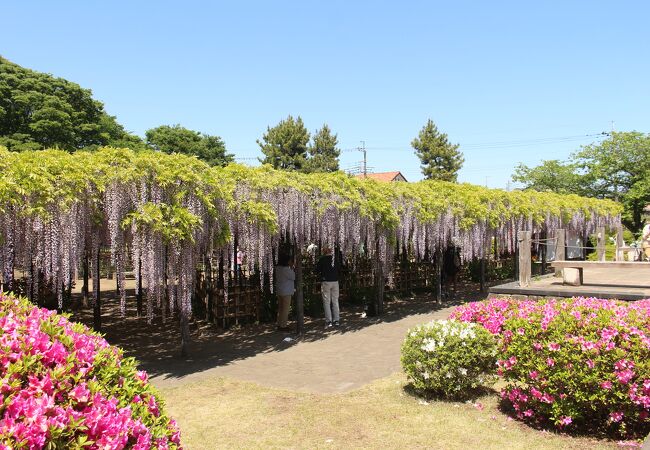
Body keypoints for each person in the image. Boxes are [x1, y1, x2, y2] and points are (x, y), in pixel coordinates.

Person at [316, 247, 340, 328]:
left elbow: (317, 270)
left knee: (326, 302)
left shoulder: (322, 259)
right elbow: (339, 268)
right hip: (335, 281)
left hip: (326, 281)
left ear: (325, 251)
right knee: (335, 301)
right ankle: (336, 320)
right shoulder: (335, 259)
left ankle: (329, 321)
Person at [275, 254, 295, 331]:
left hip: (280, 290)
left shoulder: (278, 268)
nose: (290, 261)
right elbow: (294, 277)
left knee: (280, 309)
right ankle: (283, 326)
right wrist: (292, 267)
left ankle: (279, 324)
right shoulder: (286, 269)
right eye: (290, 260)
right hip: (286, 291)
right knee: (285, 309)